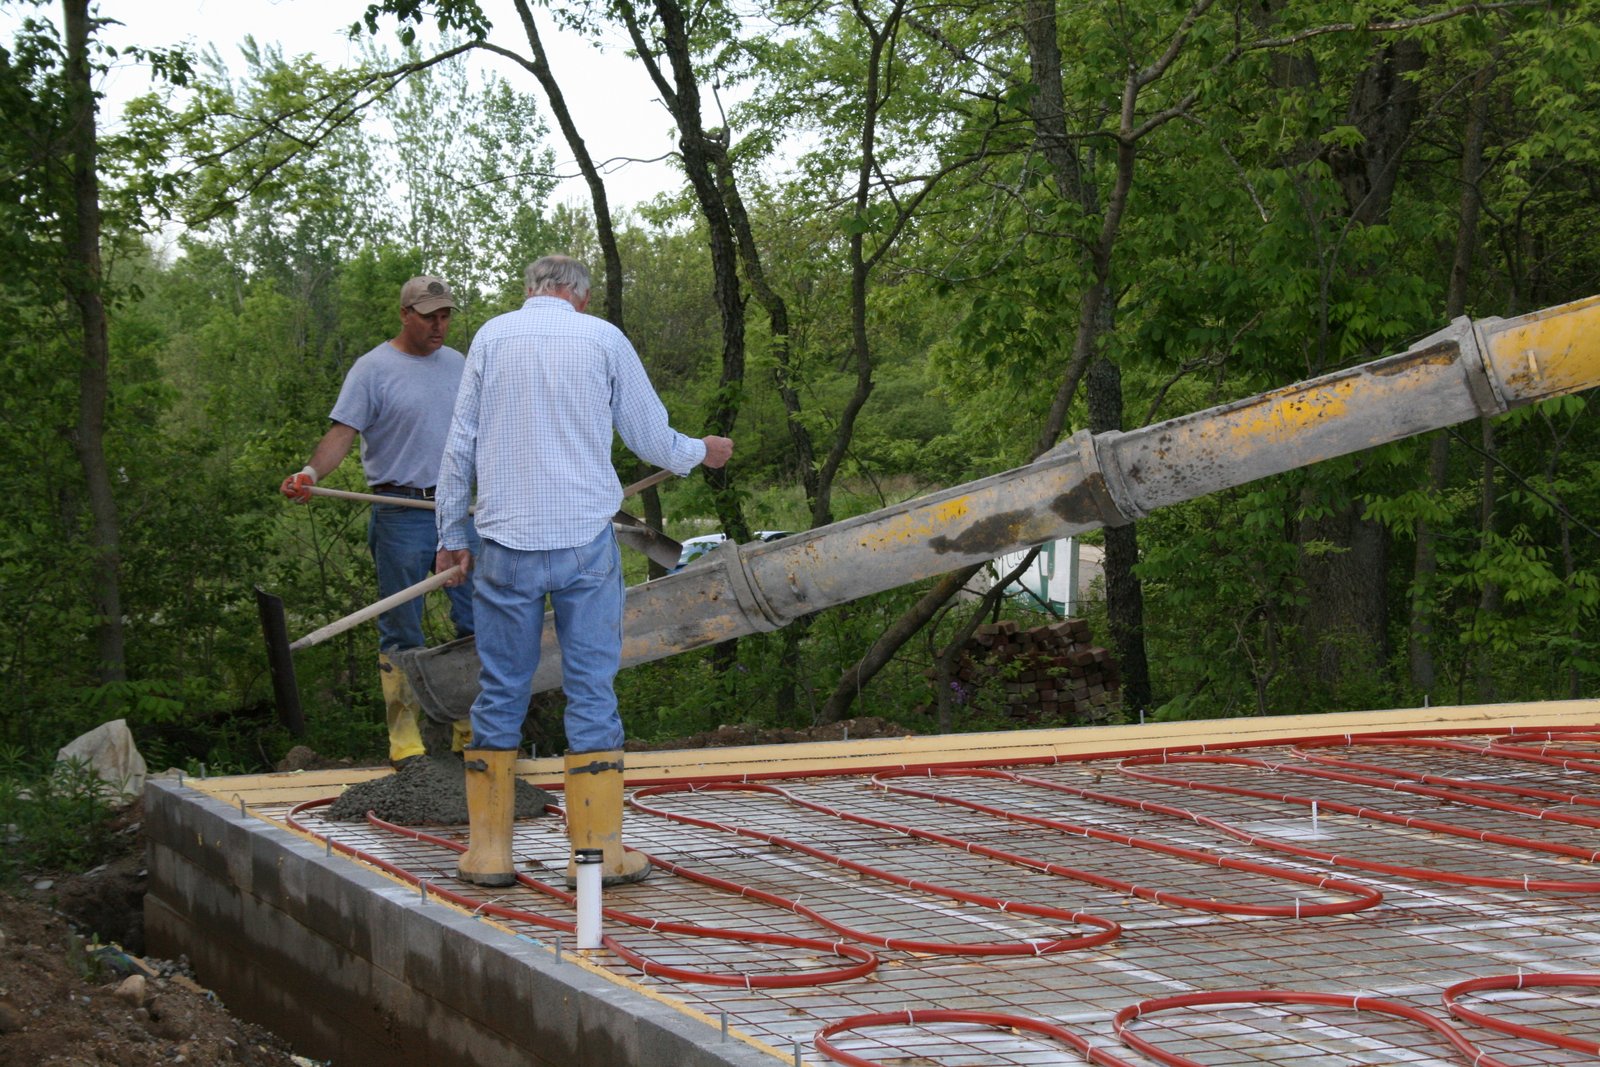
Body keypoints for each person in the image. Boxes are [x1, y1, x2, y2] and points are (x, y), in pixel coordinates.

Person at [434, 255, 732, 889]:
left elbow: (459, 445)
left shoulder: (490, 336)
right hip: (582, 544)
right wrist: (701, 453)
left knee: (501, 688)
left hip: (504, 543)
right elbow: (652, 437)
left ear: (532, 292)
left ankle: (489, 853)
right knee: (592, 688)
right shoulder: (601, 339)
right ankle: (595, 855)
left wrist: (450, 537)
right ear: (580, 296)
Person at [280, 275, 479, 767]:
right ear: (405, 315)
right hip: (400, 511)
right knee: (401, 627)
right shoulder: (373, 369)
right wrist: (309, 472)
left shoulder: (459, 364)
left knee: (474, 620)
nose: (440, 324)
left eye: (446, 315)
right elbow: (342, 433)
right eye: (430, 315)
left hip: (458, 508)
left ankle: (469, 730)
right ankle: (405, 739)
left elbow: (485, 430)